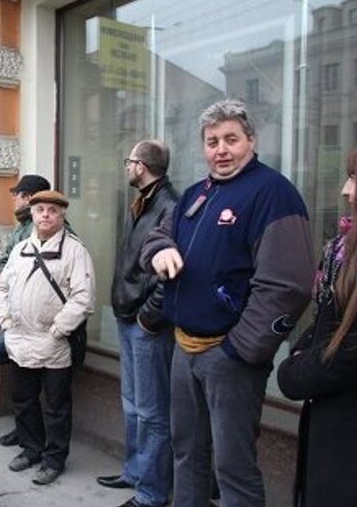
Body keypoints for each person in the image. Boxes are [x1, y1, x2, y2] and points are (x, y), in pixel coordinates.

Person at [140, 99, 314, 506]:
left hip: (229, 357)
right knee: (187, 455)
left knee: (234, 469)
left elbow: (288, 286)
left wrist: (237, 351)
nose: (221, 149)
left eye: (231, 139)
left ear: (251, 141)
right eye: (212, 141)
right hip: (184, 348)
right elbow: (156, 236)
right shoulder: (197, 194)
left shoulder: (274, 193)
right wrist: (161, 249)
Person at [97, 140, 179, 507]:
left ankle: (151, 492)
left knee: (151, 412)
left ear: (142, 166)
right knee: (132, 405)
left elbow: (171, 273)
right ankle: (134, 472)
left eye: (129, 161)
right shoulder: (142, 200)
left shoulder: (169, 205)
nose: (126, 166)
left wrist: (149, 316)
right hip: (127, 314)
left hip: (145, 324)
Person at [0, 189, 95, 486]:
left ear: (62, 215)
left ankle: (54, 459)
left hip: (53, 343)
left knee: (56, 406)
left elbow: (83, 297)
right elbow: (3, 286)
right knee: (24, 400)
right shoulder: (21, 249)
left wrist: (58, 330)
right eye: (40, 210)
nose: (45, 216)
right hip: (19, 339)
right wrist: (5, 320)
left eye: (52, 211)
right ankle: (31, 449)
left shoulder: (75, 251)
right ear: (32, 213)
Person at [277, 149, 357, 507]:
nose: (345, 190)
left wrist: (294, 371)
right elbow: (327, 318)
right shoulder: (343, 248)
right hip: (330, 429)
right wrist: (302, 350)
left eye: (355, 178)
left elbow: (345, 354)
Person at [0, 174, 52, 447]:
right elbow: (7, 263)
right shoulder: (21, 228)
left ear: (28, 197)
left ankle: (35, 435)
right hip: (16, 316)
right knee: (20, 376)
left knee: (28, 377)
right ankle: (25, 428)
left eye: (17, 194)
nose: (13, 198)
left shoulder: (39, 230)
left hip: (36, 320)